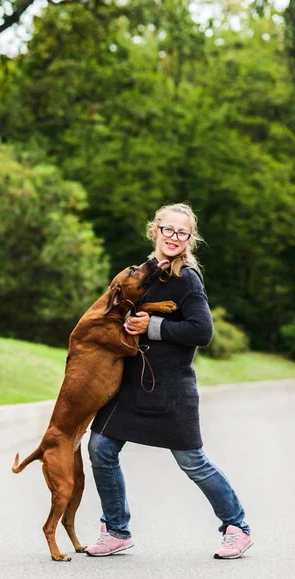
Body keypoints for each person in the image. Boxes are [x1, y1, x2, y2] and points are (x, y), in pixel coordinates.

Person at [85, 203, 252, 559]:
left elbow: (202, 331)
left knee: (193, 461)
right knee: (100, 446)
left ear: (190, 238)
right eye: (168, 229)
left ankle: (237, 526)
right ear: (155, 230)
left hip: (172, 390)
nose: (174, 237)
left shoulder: (187, 279)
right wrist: (127, 326)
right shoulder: (143, 273)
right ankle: (116, 529)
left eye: (182, 233)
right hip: (133, 384)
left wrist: (152, 327)